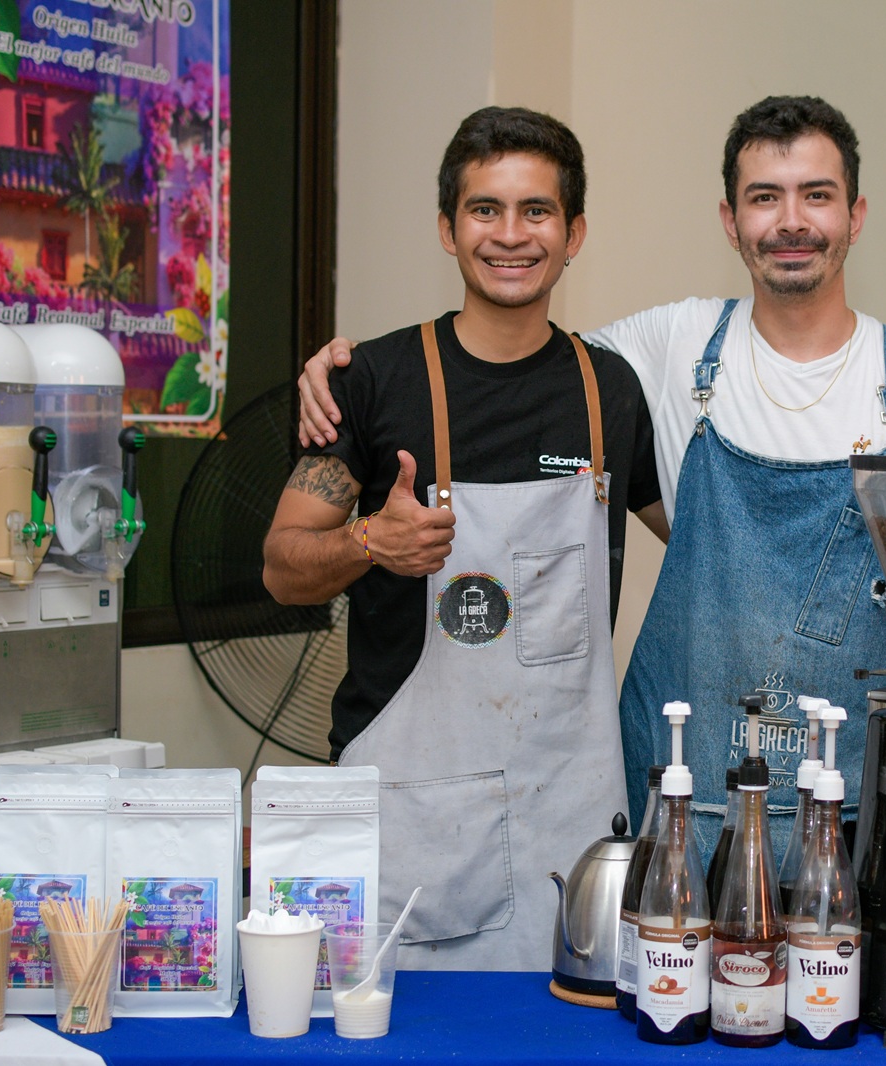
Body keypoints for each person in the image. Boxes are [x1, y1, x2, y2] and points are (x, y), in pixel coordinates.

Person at [295, 96, 886, 859]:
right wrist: (344, 375)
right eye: (765, 197)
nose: (791, 221)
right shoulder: (666, 349)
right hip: (688, 800)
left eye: (816, 195)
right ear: (730, 220)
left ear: (855, 215)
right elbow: (509, 353)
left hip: (851, 806)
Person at [263, 106, 663, 970]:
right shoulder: (372, 380)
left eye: (536, 210)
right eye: (485, 209)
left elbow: (708, 540)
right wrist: (370, 544)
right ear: (448, 229)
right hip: (415, 819)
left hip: (570, 815)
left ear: (574, 233)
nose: (510, 235)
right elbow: (282, 568)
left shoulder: (611, 392)